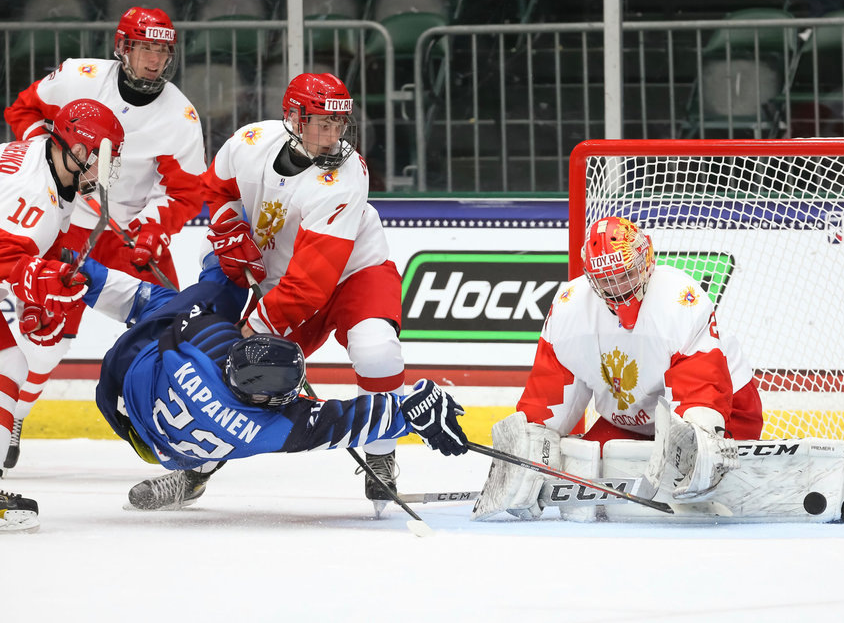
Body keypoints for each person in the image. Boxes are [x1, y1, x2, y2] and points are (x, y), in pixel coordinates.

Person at [72, 253, 466, 511]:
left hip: (121, 392)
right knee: (196, 293)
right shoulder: (269, 428)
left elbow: (156, 306)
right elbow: (346, 421)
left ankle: (194, 474)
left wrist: (74, 268)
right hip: (150, 423)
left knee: (209, 286)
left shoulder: (203, 338)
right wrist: (414, 410)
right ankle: (195, 470)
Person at [1, 6, 206, 472]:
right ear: (123, 47)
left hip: (126, 229)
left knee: (173, 324)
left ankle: (193, 443)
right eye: (145, 47)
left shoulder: (181, 116)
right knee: (48, 332)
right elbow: (25, 109)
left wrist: (154, 227)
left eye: (162, 50)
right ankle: (14, 417)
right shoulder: (79, 77)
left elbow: (186, 190)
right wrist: (47, 169)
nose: (154, 60)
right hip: (67, 222)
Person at [200, 72, 406, 505]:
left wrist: (255, 326)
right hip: (285, 278)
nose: (332, 138)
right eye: (321, 124)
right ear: (292, 117)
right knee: (240, 373)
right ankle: (196, 465)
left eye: (339, 125)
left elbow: (312, 283)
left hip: (354, 273)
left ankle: (381, 452)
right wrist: (227, 224)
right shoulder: (249, 142)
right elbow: (216, 190)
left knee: (377, 349)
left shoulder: (346, 177)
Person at [473, 216, 763, 521]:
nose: (618, 287)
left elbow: (701, 389)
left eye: (625, 274)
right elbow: (547, 403)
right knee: (582, 468)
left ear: (647, 257)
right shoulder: (569, 310)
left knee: (697, 461)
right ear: (590, 278)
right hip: (631, 424)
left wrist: (701, 434)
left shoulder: (680, 300)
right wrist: (524, 458)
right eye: (607, 280)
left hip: (728, 409)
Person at [0, 98, 125, 532]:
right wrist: (41, 276)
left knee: (13, 358)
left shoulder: (51, 164)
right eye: (100, 157)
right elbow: (6, 254)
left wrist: (47, 272)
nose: (103, 169)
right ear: (77, 147)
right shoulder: (32, 190)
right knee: (11, 361)